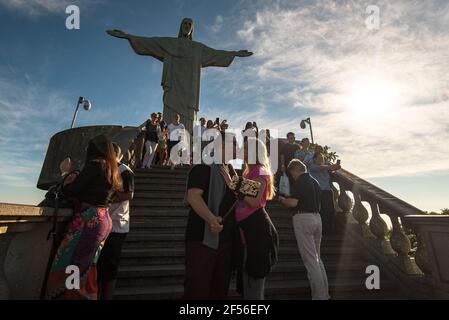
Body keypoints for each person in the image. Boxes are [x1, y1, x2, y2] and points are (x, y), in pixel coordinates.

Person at [45, 135, 122, 300]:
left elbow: (72, 190)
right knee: (87, 267)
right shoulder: (112, 169)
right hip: (103, 219)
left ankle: (69, 297)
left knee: (71, 264)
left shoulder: (95, 164)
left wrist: (66, 173)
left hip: (89, 221)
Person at [220, 137, 278, 300]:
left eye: (246, 149)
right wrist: (234, 184)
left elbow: (253, 201)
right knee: (247, 284)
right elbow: (243, 196)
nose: (242, 152)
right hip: (247, 232)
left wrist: (233, 184)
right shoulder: (249, 171)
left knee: (254, 286)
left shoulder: (261, 170)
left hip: (257, 232)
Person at [183, 137, 238, 299]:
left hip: (225, 241)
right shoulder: (203, 166)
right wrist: (211, 219)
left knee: (219, 289)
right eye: (233, 144)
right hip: (201, 238)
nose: (237, 149)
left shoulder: (231, 171)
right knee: (198, 289)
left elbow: (253, 194)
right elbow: (193, 196)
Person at [278, 159, 330, 300]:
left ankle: (319, 297)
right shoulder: (315, 181)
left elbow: (293, 202)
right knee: (318, 259)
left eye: (292, 174)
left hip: (303, 218)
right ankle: (325, 293)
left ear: (296, 170)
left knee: (311, 261)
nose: (292, 177)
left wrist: (281, 199)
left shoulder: (301, 181)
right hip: (317, 218)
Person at [97, 143, 134, 300]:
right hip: (100, 225)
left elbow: (128, 194)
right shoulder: (104, 169)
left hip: (117, 226)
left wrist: (105, 200)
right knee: (97, 267)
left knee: (109, 267)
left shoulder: (125, 170)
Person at [309, 153, 341, 235]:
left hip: (328, 191)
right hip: (319, 191)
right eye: (319, 158)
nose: (321, 160)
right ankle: (321, 230)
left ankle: (329, 230)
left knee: (331, 211)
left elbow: (334, 168)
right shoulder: (312, 166)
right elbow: (323, 167)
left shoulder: (326, 167)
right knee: (322, 211)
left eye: (322, 158)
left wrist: (337, 166)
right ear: (314, 159)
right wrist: (331, 166)